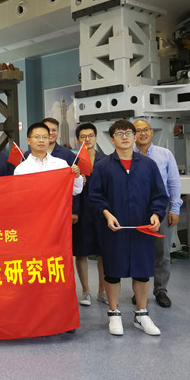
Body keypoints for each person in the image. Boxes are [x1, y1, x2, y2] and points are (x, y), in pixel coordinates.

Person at [89, 120, 168, 336]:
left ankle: (141, 314)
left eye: (128, 133)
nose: (125, 137)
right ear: (112, 138)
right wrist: (106, 214)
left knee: (142, 272)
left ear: (134, 137)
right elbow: (95, 196)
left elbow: (159, 195)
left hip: (142, 228)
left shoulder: (148, 165)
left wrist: (156, 214)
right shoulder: (103, 166)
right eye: (119, 133)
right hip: (114, 228)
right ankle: (114, 313)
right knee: (113, 271)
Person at [133, 119, 182, 308]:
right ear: (133, 134)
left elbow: (174, 182)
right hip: (137, 208)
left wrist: (175, 209)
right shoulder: (128, 154)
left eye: (146, 130)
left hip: (161, 207)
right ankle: (140, 289)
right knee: (139, 250)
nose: (142, 133)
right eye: (138, 131)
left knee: (162, 251)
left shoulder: (164, 154)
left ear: (152, 132)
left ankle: (161, 290)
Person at [72, 123, 106, 306]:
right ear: (78, 140)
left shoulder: (106, 160)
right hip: (82, 212)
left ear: (96, 137)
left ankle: (103, 291)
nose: (87, 139)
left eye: (91, 135)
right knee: (81, 252)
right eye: (83, 136)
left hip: (102, 212)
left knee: (104, 253)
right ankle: (86, 291)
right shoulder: (73, 163)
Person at [14, 123, 83, 195]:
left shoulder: (61, 164)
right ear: (28, 141)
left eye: (45, 137)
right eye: (37, 137)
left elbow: (75, 190)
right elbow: (19, 195)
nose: (41, 140)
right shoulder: (21, 169)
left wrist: (77, 176)